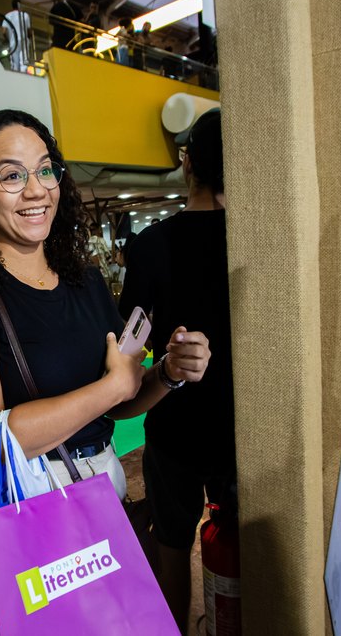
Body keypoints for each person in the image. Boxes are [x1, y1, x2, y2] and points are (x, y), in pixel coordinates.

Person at [0, 109, 212, 623]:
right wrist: (112, 386)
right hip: (19, 498)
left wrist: (165, 373)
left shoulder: (84, 281)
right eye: (11, 175)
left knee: (111, 623)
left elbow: (117, 403)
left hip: (99, 483)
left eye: (45, 170)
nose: (35, 190)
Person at [119, 108, 234, 633]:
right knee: (244, 548)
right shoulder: (258, 241)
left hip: (173, 426)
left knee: (171, 545)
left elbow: (129, 346)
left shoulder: (148, 248)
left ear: (187, 164)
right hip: (244, 431)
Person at [3, 0, 31, 72]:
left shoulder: (7, 16)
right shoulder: (25, 15)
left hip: (13, 41)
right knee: (24, 61)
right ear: (20, 5)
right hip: (24, 41)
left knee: (15, 63)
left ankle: (16, 75)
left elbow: (3, 31)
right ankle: (24, 74)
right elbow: (29, 31)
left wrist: (7, 39)